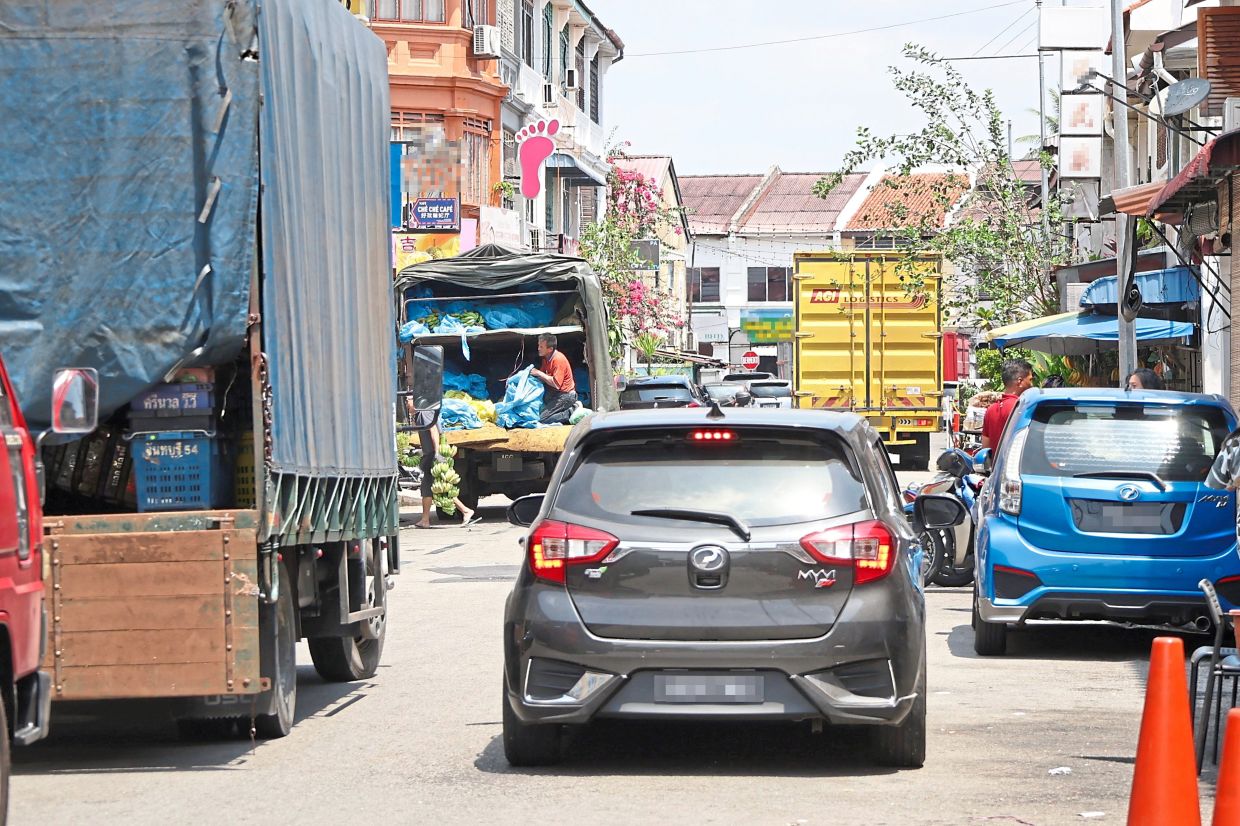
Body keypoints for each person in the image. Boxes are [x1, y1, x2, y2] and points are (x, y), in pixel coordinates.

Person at [417, 421, 476, 528]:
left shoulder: (425, 412)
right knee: (428, 488)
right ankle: (425, 520)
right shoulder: (424, 413)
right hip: (431, 455)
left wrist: (437, 452)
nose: (407, 405)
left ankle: (465, 510)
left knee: (441, 488)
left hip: (433, 455)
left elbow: (434, 430)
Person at [981, 359, 1034, 450]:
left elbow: (985, 447)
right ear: (1020, 381)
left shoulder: (991, 410)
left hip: (996, 460)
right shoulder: (1022, 408)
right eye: (1030, 380)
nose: (1032, 384)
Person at [530, 332, 577, 425]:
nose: (538, 349)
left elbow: (556, 384)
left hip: (565, 395)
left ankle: (571, 411)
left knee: (542, 419)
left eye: (541, 347)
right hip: (554, 394)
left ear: (550, 349)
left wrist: (539, 373)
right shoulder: (545, 359)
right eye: (538, 345)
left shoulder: (558, 359)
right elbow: (542, 377)